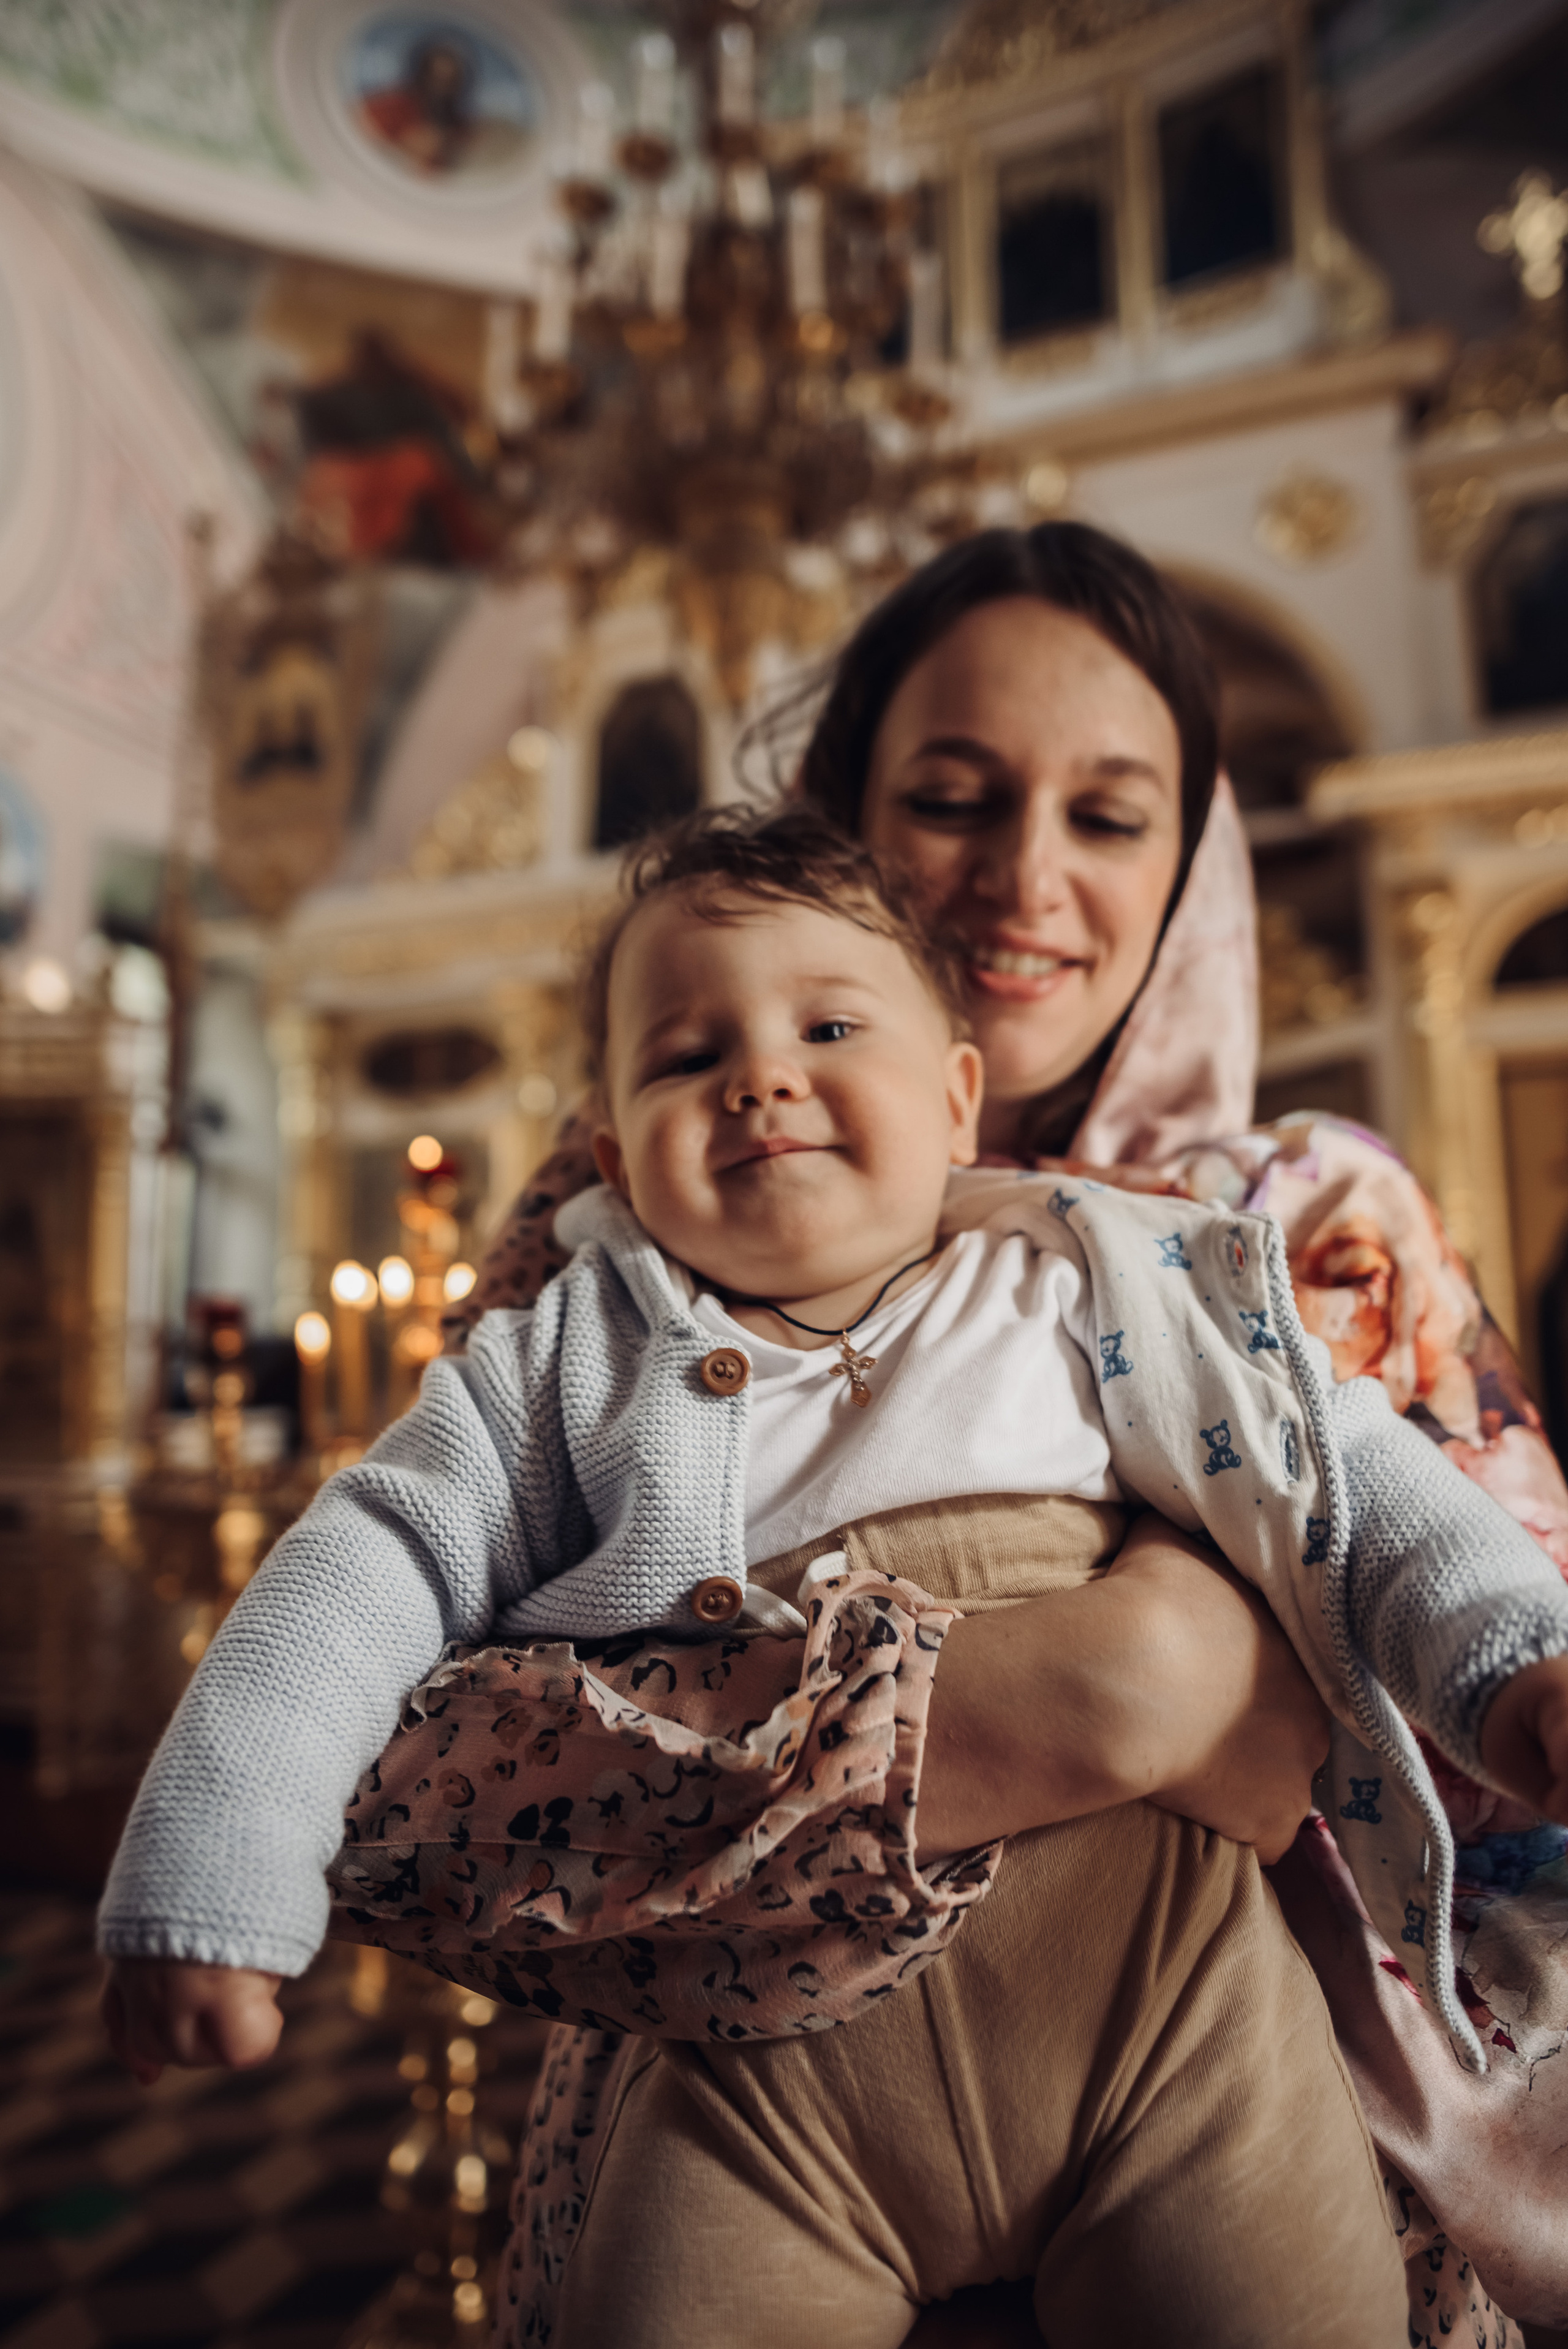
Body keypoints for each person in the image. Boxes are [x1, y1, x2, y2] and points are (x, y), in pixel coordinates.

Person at [99, 807, 1568, 2348]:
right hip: (753, 2087)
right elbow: (362, 1562)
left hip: (1178, 2023)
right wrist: (213, 1870)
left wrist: (1514, 1662)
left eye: (826, 1025)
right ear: (610, 1156)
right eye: (682, 1057)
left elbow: (1345, 1466)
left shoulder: (1095, 1279)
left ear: (954, 1102)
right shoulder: (564, 1362)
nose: (757, 1074)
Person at [413, 523, 1568, 2348]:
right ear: (840, 824)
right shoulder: (617, 1229)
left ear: (1190, 865)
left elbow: (1525, 1798)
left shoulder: (1314, 1233)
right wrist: (1086, 1696)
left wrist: (1355, 1723)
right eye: (954, 796)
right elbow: (423, 1792)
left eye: (1111, 817)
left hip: (1315, 2185)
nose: (1026, 877)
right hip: (736, 2156)